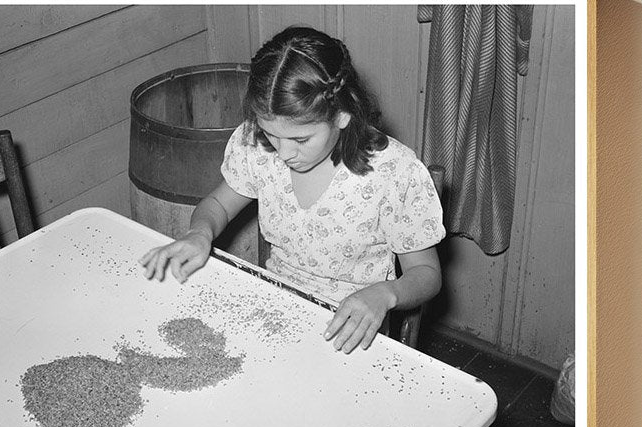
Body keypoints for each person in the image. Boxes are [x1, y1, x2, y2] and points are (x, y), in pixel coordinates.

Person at [139, 25, 445, 353]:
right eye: (271, 134)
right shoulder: (257, 146)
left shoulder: (393, 173)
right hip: (276, 308)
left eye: (300, 139)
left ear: (342, 115)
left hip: (353, 328)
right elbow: (217, 204)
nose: (283, 153)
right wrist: (199, 233)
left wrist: (386, 294)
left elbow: (426, 274)